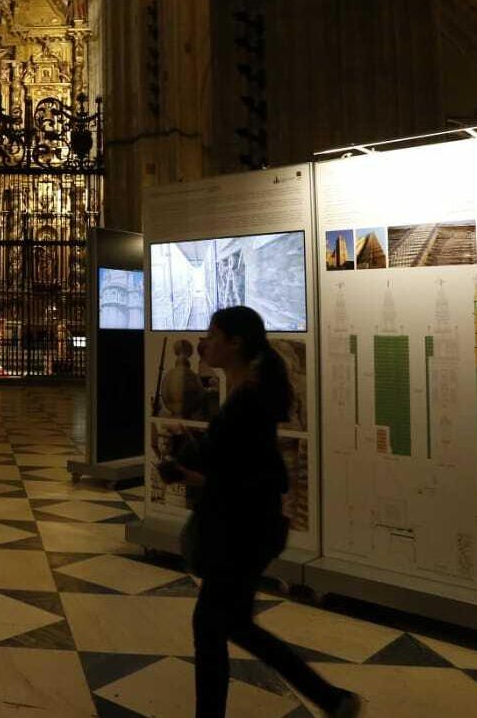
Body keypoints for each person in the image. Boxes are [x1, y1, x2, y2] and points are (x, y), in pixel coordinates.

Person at [158, 306, 361, 718]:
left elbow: (222, 461)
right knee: (231, 625)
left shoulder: (247, 400)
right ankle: (331, 699)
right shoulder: (248, 391)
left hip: (241, 532)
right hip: (249, 525)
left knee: (212, 627)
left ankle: (330, 699)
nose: (204, 343)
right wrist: (193, 471)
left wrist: (184, 452)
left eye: (212, 335)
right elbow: (243, 469)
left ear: (235, 344)